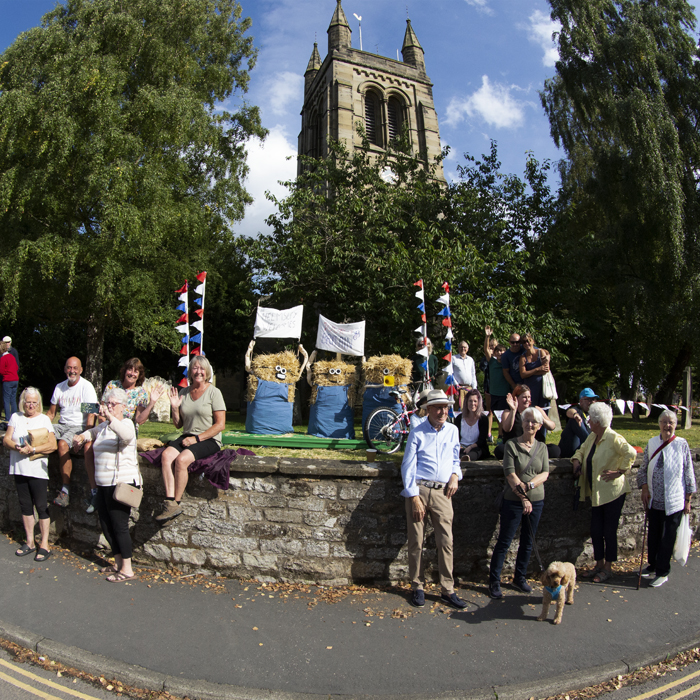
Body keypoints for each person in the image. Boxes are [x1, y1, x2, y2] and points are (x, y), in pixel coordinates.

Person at [400, 389, 468, 610]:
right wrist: (413, 497)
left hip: (443, 492)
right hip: (419, 489)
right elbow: (408, 466)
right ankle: (417, 586)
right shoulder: (417, 432)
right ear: (427, 409)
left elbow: (455, 458)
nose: (442, 411)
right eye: (438, 407)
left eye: (446, 407)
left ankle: (447, 589)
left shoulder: (452, 431)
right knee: (416, 542)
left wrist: (456, 475)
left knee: (446, 541)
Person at [73, 388, 141, 582]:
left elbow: (126, 436)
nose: (109, 407)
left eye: (113, 404)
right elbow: (92, 432)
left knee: (119, 526)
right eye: (107, 403)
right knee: (106, 525)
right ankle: (118, 563)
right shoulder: (103, 427)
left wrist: (110, 417)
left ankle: (127, 569)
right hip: (103, 484)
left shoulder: (126, 423)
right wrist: (81, 437)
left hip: (120, 484)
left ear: (122, 407)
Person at [84, 359, 165, 513]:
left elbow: (140, 420)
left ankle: (114, 497)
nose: (132, 373)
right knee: (89, 446)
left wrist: (152, 402)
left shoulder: (141, 392)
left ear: (139, 374)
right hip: (106, 427)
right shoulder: (112, 385)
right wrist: (102, 425)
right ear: (124, 370)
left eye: (136, 371)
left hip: (125, 432)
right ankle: (95, 492)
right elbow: (101, 410)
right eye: (130, 369)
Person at [155, 356, 226, 522]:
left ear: (207, 372)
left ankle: (177, 502)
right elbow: (178, 425)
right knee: (166, 456)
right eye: (195, 368)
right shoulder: (184, 392)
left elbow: (220, 425)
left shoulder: (214, 392)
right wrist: (174, 408)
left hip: (209, 438)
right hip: (187, 435)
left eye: (202, 369)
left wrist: (197, 439)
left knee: (181, 460)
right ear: (190, 371)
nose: (198, 371)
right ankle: (170, 502)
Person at [489, 407, 550, 598]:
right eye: (526, 420)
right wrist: (523, 498)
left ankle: (519, 578)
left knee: (527, 541)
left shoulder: (542, 448)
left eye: (533, 422)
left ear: (539, 426)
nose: (529, 424)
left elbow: (545, 473)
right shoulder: (511, 445)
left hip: (537, 500)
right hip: (514, 500)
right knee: (504, 541)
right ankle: (494, 581)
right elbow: (510, 473)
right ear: (522, 423)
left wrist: (530, 486)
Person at [572, 402, 636, 583]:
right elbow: (581, 451)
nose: (588, 421)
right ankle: (598, 564)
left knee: (609, 531)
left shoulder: (613, 437)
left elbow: (630, 453)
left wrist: (621, 471)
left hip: (613, 493)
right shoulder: (592, 437)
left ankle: (608, 568)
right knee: (595, 530)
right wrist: (576, 462)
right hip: (597, 492)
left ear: (598, 421)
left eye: (591, 419)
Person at [637, 409, 696, 588]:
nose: (667, 425)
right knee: (654, 535)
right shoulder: (652, 442)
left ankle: (663, 572)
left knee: (667, 537)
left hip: (675, 501)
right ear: (659, 424)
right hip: (655, 499)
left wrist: (688, 499)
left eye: (671, 422)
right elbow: (643, 468)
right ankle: (653, 565)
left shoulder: (681, 444)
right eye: (664, 422)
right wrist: (644, 488)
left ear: (675, 425)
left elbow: (688, 471)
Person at [3, 388, 57, 562]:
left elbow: (53, 445)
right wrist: (17, 448)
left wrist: (32, 449)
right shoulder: (15, 417)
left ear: (39, 403)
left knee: (41, 506)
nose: (31, 405)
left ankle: (45, 545)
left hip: (37, 470)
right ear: (23, 402)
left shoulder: (44, 420)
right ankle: (29, 541)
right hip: (19, 468)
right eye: (28, 402)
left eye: (34, 402)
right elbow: (6, 439)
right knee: (25, 505)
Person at [46, 357, 98, 507]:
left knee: (62, 444)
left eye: (75, 368)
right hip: (61, 424)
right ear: (65, 369)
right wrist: (39, 427)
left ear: (81, 370)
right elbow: (51, 413)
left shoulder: (86, 387)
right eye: (69, 368)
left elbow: (91, 415)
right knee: (38, 436)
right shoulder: (60, 387)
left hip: (78, 426)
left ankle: (65, 491)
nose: (72, 371)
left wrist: (85, 436)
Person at [493, 385, 560, 460]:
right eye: (524, 397)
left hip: (534, 447)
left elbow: (552, 426)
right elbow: (507, 429)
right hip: (516, 447)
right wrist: (513, 410)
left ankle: (528, 456)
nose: (527, 400)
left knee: (555, 450)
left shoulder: (536, 409)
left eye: (529, 397)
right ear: (516, 398)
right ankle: (527, 456)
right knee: (500, 450)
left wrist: (541, 419)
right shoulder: (507, 412)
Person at [558, 388, 598, 458]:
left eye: (593, 399)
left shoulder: (594, 414)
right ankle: (591, 445)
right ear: (581, 401)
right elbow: (569, 411)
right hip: (571, 449)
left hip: (583, 447)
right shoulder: (578, 410)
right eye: (589, 399)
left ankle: (592, 445)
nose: (592, 402)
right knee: (573, 421)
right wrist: (575, 415)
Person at [456, 389, 490, 461]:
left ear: (479, 403)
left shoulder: (483, 419)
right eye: (470, 401)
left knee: (476, 452)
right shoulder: (459, 418)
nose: (472, 403)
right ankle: (463, 458)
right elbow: (456, 438)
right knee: (459, 452)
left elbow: (482, 440)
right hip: (462, 447)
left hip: (477, 447)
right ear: (466, 402)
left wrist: (471, 447)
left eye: (475, 401)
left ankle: (467, 458)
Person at [518, 333, 551, 409]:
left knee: (544, 409)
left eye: (528, 341)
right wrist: (538, 369)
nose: (526, 343)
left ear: (533, 341)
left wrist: (530, 372)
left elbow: (546, 369)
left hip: (543, 387)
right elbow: (523, 374)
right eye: (524, 342)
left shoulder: (540, 352)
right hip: (531, 388)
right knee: (532, 409)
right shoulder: (523, 358)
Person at [452, 340, 477, 411]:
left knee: (470, 409)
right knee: (458, 409)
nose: (463, 349)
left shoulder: (470, 360)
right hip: (458, 389)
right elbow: (450, 373)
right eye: (461, 347)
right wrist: (456, 384)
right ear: (458, 348)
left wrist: (474, 388)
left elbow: (473, 374)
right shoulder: (453, 358)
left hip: (469, 388)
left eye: (464, 347)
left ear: (467, 349)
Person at [0, 340, 19, 422]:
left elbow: (1, 371)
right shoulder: (12, 357)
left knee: (6, 400)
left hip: (7, 380)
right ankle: (14, 417)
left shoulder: (3, 358)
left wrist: (6, 372)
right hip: (15, 379)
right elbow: (17, 367)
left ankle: (8, 418)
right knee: (13, 399)